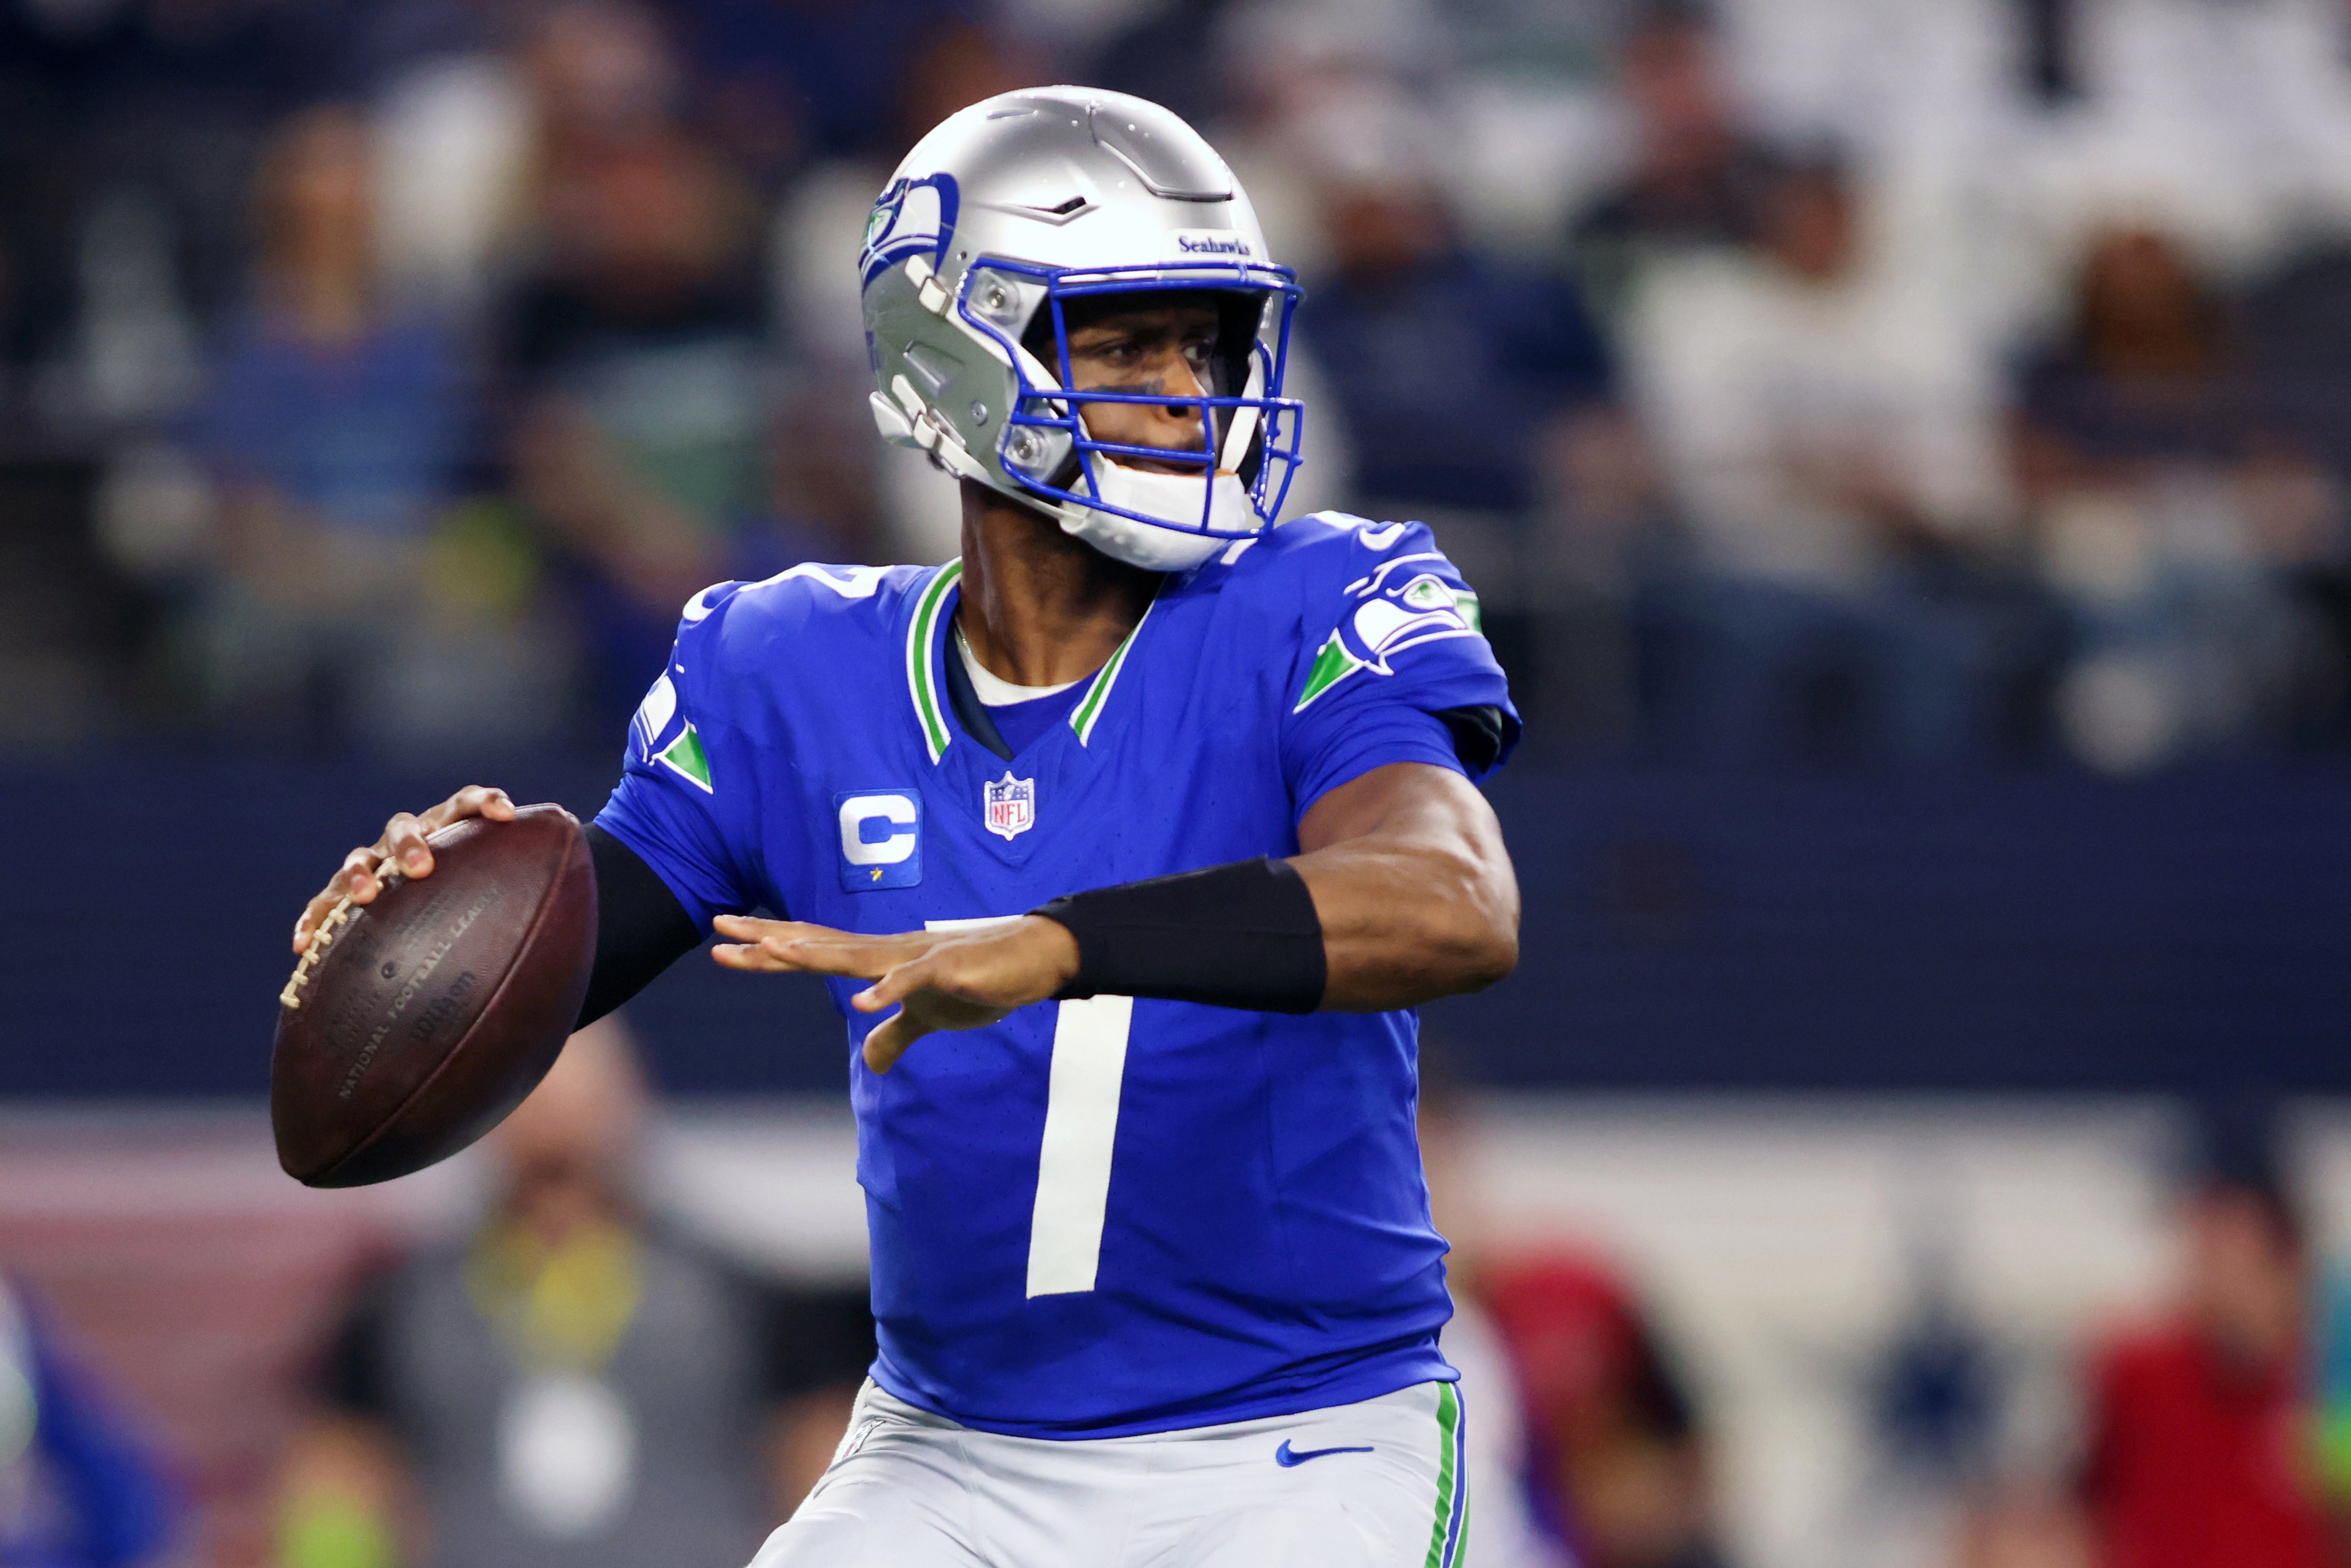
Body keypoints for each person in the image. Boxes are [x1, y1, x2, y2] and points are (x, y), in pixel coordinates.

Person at [293, 86, 1521, 1568]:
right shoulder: (788, 664)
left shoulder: (1314, 600)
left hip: (1295, 1430)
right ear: (961, 353)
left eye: (1206, 342)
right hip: (954, 1446)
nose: (1189, 388)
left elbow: (1452, 900)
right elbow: (557, 959)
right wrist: (444, 904)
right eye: (1128, 341)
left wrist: (1065, 943)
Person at [273, 1021, 874, 1568]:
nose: (555, 1137)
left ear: (626, 1112)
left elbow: (821, 1475)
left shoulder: (743, 1296)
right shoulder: (401, 1306)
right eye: (526, 1111)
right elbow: (339, 1485)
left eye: (577, 1115)